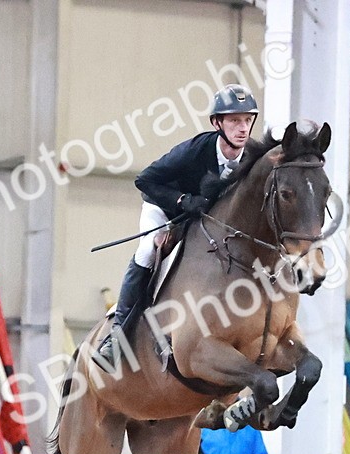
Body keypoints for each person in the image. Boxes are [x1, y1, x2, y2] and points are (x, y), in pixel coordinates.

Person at [94, 83, 260, 370]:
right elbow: (144, 180)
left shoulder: (252, 159)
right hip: (166, 211)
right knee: (147, 251)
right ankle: (118, 335)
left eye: (247, 120)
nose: (242, 128)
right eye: (234, 120)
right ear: (217, 123)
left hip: (205, 224)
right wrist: (183, 200)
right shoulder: (194, 151)